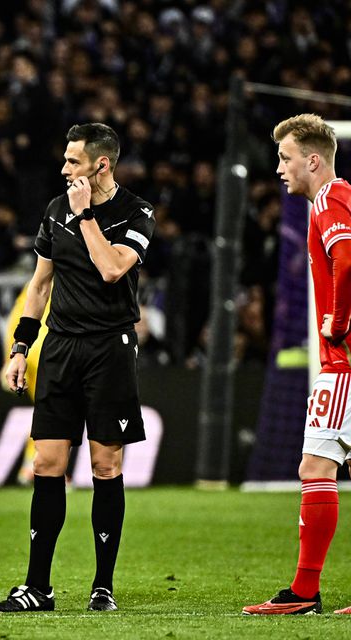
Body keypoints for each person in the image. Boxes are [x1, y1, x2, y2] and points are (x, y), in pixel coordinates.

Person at [0, 123, 155, 613]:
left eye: (73, 161)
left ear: (102, 165)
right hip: (60, 347)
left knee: (106, 465)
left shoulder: (136, 212)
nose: (64, 170)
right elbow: (40, 285)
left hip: (110, 349)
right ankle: (37, 587)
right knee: (47, 464)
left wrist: (86, 218)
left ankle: (102, 587)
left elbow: (111, 269)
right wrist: (21, 347)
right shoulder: (55, 210)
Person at [243, 114, 351, 616]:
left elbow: (346, 259)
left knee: (315, 467)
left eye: (285, 158)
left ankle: (304, 592)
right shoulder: (327, 203)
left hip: (343, 361)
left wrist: (336, 321)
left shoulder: (331, 197)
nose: (279, 168)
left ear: (313, 159)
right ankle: (305, 591)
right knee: (321, 466)